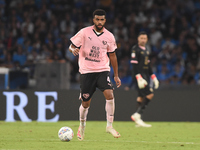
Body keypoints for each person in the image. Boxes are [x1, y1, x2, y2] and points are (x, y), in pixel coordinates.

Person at [69, 9, 121, 141]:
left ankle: (109, 126)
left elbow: (113, 56)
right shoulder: (84, 32)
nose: (99, 22)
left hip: (102, 70)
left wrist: (116, 75)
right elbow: (71, 46)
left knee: (109, 95)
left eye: (102, 19)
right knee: (86, 103)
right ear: (93, 20)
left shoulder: (109, 36)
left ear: (105, 20)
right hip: (87, 72)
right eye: (97, 19)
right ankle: (81, 126)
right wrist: (73, 49)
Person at [130, 31, 159, 127]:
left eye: (145, 38)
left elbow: (148, 65)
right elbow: (134, 65)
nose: (143, 40)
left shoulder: (146, 49)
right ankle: (137, 115)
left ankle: (138, 120)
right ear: (138, 39)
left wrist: (153, 77)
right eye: (141, 38)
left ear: (147, 39)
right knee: (150, 94)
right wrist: (138, 77)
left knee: (141, 97)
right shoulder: (135, 49)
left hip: (145, 76)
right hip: (140, 77)